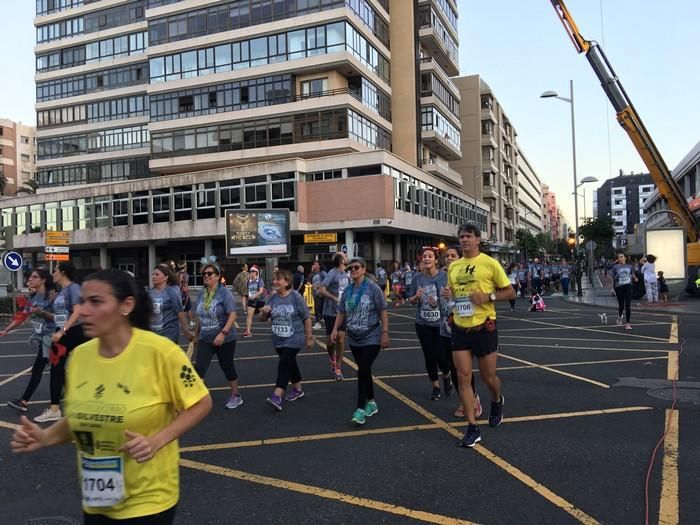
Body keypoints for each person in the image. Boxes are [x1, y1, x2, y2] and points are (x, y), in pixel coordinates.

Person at [10, 269, 212, 524]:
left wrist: (157, 441)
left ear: (126, 305)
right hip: (96, 502)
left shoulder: (161, 352)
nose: (83, 310)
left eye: (96, 301)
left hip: (148, 501)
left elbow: (201, 403)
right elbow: (82, 416)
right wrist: (45, 436)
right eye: (83, 301)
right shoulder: (81, 356)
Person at [447, 223, 515, 448]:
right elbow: (454, 296)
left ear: (477, 239)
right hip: (460, 326)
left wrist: (488, 297)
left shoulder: (489, 263)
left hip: (484, 326)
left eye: (468, 236)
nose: (464, 240)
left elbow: (510, 291)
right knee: (463, 376)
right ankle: (472, 427)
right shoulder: (454, 267)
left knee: (488, 378)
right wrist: (448, 294)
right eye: (461, 237)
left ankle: (497, 400)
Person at [331, 257, 389, 425]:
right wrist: (335, 329)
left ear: (364, 269)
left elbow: (383, 310)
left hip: (372, 336)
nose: (353, 270)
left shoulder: (373, 288)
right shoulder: (348, 291)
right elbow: (341, 312)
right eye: (350, 268)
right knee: (365, 371)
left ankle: (360, 409)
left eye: (356, 267)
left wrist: (385, 332)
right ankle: (372, 402)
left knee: (362, 370)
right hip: (355, 338)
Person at [34, 262, 90, 423]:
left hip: (75, 332)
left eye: (56, 270)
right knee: (57, 368)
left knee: (63, 367)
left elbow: (78, 311)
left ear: (63, 272)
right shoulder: (62, 291)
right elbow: (60, 314)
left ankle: (56, 409)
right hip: (64, 332)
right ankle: (55, 408)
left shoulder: (73, 288)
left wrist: (62, 331)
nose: (53, 274)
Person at [260, 269, 313, 411]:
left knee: (284, 363)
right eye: (274, 279)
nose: (275, 282)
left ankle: (277, 395)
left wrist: (309, 337)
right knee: (290, 363)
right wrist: (264, 313)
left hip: (294, 337)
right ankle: (298, 389)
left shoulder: (295, 297)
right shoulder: (272, 297)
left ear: (287, 282)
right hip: (278, 339)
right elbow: (263, 319)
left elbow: (306, 317)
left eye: (278, 279)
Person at [5, 268, 56, 414]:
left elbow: (60, 318)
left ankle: (24, 401)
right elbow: (22, 317)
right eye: (30, 277)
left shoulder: (52, 297)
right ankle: (72, 391)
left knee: (38, 369)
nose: (30, 280)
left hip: (53, 337)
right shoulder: (33, 298)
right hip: (42, 338)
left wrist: (43, 313)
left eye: (34, 277)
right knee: (57, 370)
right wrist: (6, 330)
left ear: (43, 280)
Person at [193, 259, 243, 409]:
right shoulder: (202, 294)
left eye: (209, 273)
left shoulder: (223, 293)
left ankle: (236, 395)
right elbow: (200, 317)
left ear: (217, 276)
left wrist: (222, 334)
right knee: (199, 368)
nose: (206, 276)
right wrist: (196, 336)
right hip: (205, 338)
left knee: (227, 366)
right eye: (204, 274)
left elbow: (232, 315)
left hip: (225, 338)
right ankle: (197, 398)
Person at [440, 246, 481, 420]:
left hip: (464, 327)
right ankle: (464, 399)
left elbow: (469, 299)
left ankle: (472, 401)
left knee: (463, 370)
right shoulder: (441, 276)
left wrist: (453, 297)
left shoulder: (465, 275)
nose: (449, 258)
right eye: (447, 256)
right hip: (444, 328)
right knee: (451, 367)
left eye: (452, 255)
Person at [407, 247, 452, 401]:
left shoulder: (445, 277)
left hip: (440, 323)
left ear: (435, 260)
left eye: (430, 256)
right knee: (429, 356)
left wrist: (445, 297)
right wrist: (416, 297)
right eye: (424, 256)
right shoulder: (417, 278)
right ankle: (435, 386)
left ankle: (446, 375)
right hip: (422, 323)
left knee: (441, 355)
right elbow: (411, 301)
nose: (426, 259)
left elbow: (451, 297)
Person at [319, 253, 349, 380]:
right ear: (341, 260)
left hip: (342, 312)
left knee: (341, 338)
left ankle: (338, 367)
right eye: (345, 256)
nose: (347, 258)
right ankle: (332, 358)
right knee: (331, 342)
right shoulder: (332, 273)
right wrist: (334, 298)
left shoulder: (347, 274)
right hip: (330, 312)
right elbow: (321, 290)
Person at [149, 263, 193, 344]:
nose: (153, 277)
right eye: (153, 274)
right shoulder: (150, 292)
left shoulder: (172, 291)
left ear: (166, 277)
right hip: (154, 333)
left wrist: (186, 331)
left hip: (169, 333)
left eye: (157, 274)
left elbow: (180, 312)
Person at [611, 252, 637, 330]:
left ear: (625, 258)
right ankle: (619, 317)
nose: (620, 258)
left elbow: (632, 274)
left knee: (628, 305)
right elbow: (612, 278)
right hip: (619, 287)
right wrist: (612, 288)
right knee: (621, 305)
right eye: (619, 257)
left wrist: (635, 278)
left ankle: (628, 324)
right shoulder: (615, 267)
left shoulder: (629, 266)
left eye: (621, 257)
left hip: (628, 286)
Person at [243, 265, 266, 338]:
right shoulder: (248, 281)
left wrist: (255, 296)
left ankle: (275, 327)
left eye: (253, 271)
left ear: (256, 272)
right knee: (249, 316)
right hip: (251, 301)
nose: (251, 273)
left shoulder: (260, 280)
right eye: (250, 271)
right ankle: (248, 331)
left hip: (260, 300)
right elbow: (248, 290)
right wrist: (249, 297)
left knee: (265, 316)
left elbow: (261, 290)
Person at [309, 261, 327, 330]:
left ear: (319, 266)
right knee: (317, 307)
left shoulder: (322, 273)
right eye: (314, 264)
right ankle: (318, 322)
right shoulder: (313, 273)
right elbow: (309, 280)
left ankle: (319, 322)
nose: (314, 265)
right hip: (315, 293)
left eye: (316, 264)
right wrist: (312, 271)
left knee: (320, 307)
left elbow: (327, 280)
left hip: (321, 293)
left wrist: (321, 286)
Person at [176, 262, 193, 328]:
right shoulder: (186, 275)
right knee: (187, 309)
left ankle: (183, 324)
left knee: (181, 309)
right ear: (184, 267)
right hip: (184, 294)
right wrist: (188, 295)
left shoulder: (177, 274)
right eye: (186, 266)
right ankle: (189, 323)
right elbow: (185, 286)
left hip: (178, 294)